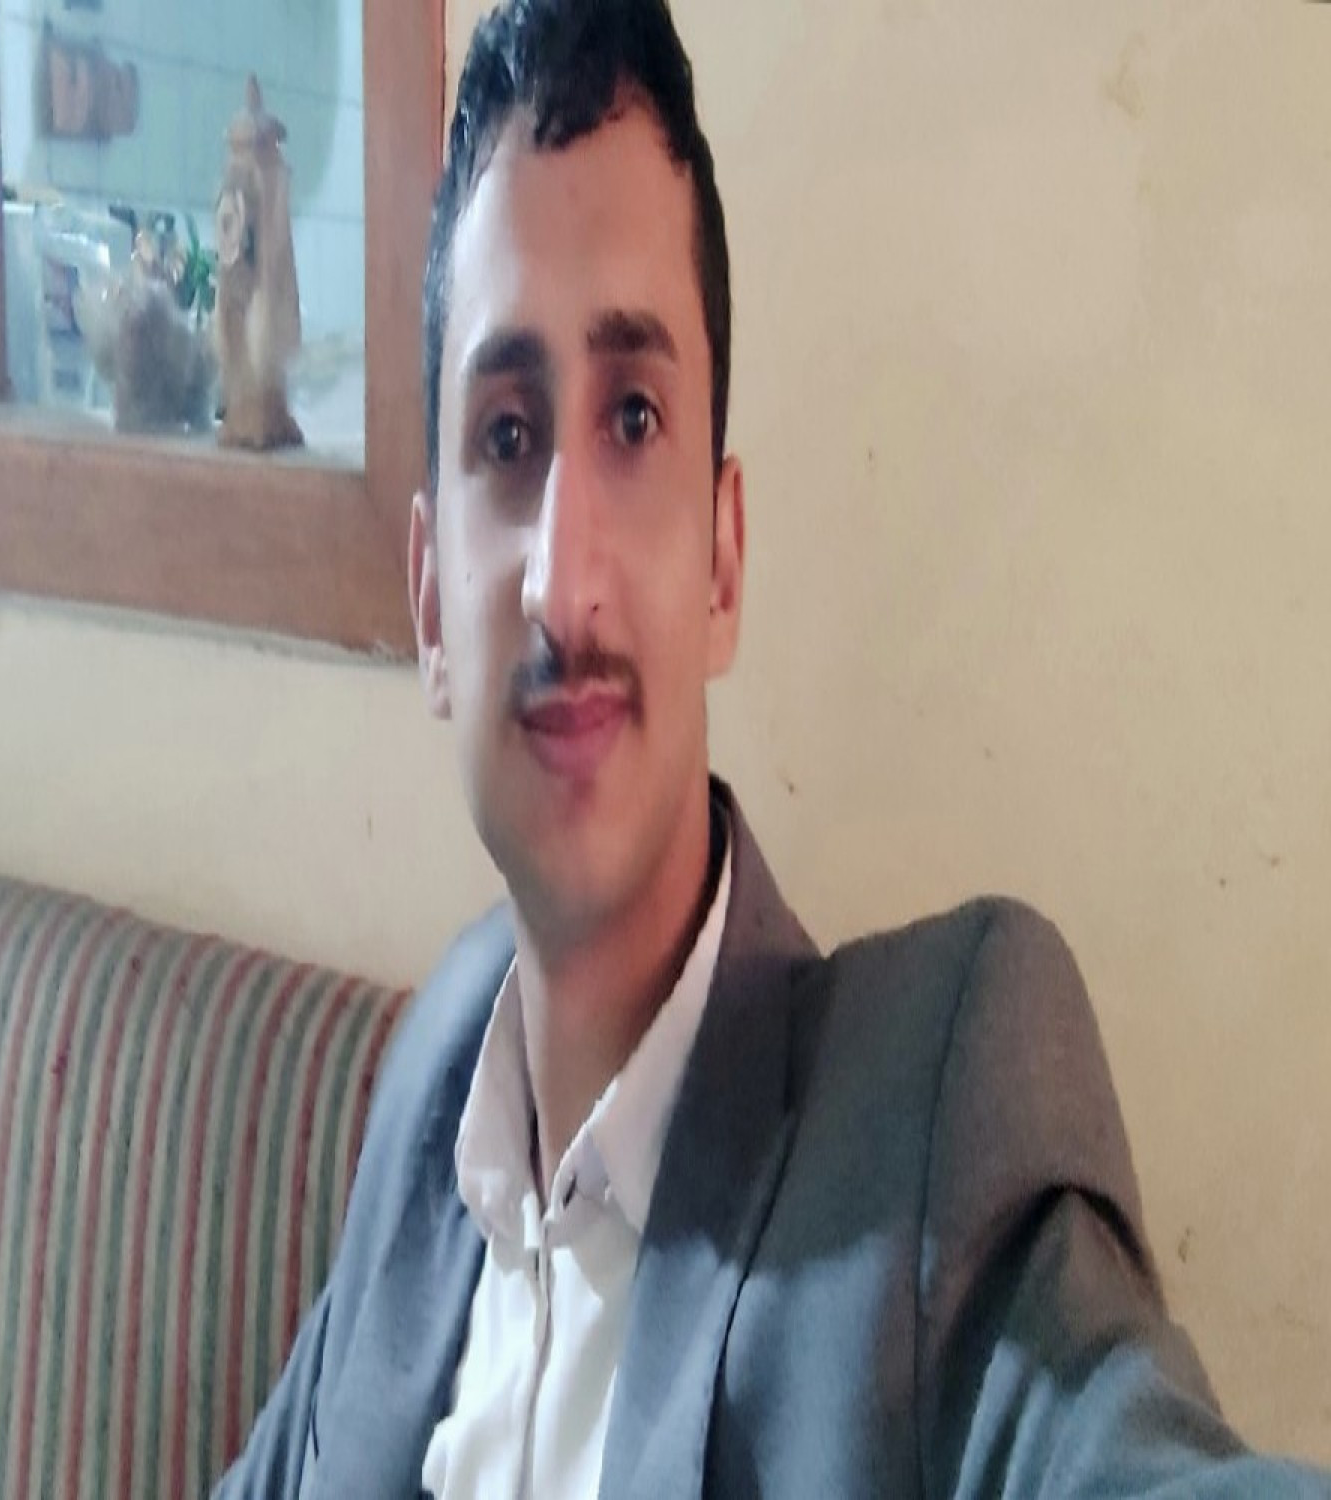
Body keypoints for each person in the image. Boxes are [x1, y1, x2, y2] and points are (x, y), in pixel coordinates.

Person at [216, 2, 1330, 1495]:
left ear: (724, 564)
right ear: (428, 601)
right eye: (507, 436)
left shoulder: (933, 1132)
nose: (562, 583)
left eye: (633, 416)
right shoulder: (439, 1077)